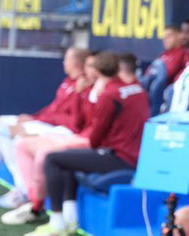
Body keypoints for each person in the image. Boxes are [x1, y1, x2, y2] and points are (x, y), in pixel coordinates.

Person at [24, 51, 150, 236]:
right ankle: (70, 219)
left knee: (53, 159)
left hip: (119, 157)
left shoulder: (108, 95)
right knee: (68, 157)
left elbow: (95, 137)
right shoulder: (137, 89)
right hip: (134, 154)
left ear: (97, 71)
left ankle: (57, 222)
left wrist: (92, 98)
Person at [0, 47, 90, 210]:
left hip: (62, 130)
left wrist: (38, 119)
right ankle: (20, 188)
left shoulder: (83, 85)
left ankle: (23, 191)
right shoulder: (68, 82)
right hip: (48, 123)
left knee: (11, 133)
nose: (64, 62)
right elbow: (54, 109)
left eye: (67, 58)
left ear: (77, 62)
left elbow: (73, 120)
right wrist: (35, 117)